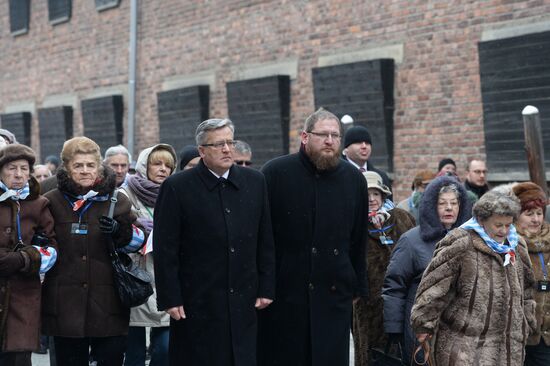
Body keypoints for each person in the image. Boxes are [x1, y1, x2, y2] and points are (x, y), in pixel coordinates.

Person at [154, 118, 275, 366]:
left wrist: (266, 286)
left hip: (244, 296)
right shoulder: (177, 187)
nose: (227, 149)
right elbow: (166, 247)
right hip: (197, 299)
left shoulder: (255, 182)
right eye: (218, 144)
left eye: (230, 142)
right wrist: (170, 297)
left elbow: (265, 239)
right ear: (201, 151)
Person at [258, 108, 368, 366]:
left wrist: (356, 283)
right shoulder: (275, 173)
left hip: (333, 290)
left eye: (335, 135)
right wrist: (264, 284)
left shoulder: (353, 179)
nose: (330, 141)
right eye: (323, 135)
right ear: (305, 137)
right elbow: (262, 237)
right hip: (286, 292)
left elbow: (358, 237)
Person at [42, 136, 144, 366]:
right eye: (78, 165)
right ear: (67, 168)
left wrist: (121, 231)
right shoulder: (49, 201)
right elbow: (41, 245)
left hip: (107, 301)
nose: (85, 171)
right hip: (65, 303)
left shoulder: (117, 199)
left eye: (90, 165)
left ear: (99, 166)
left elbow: (138, 242)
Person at [410, 191, 536, 365]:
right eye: (498, 225)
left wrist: (527, 320)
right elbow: (435, 286)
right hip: (466, 349)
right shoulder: (461, 242)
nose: (504, 231)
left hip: (509, 351)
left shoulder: (517, 244)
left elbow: (528, 287)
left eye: (508, 225)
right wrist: (423, 323)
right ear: (482, 220)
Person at [382, 175, 471, 365]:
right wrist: (394, 330)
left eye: (454, 203)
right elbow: (394, 286)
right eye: (442, 203)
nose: (449, 208)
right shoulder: (412, 241)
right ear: (431, 206)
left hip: (460, 330)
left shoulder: (470, 240)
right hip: (422, 330)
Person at [0, 144, 57, 366]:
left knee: (19, 357)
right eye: (11, 168)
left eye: (24, 168)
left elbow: (51, 248)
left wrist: (26, 259)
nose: (18, 174)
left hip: (23, 295)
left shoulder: (39, 204)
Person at [120, 143, 177, 366]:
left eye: (168, 166)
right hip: (135, 277)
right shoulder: (126, 193)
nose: (163, 169)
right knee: (133, 353)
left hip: (165, 276)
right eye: (157, 163)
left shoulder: (175, 192)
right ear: (145, 166)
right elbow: (121, 230)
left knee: (164, 348)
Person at [352, 171, 415, 366]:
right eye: (367, 194)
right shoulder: (353, 223)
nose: (371, 199)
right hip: (367, 304)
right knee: (370, 355)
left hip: (401, 301)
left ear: (383, 196)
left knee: (402, 353)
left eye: (376, 194)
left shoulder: (401, 218)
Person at [511, 182, 550, 365]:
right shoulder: (508, 245)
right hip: (520, 337)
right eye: (529, 214)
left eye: (539, 213)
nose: (536, 219)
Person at [342, 125, 392, 193]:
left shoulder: (382, 177)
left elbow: (388, 202)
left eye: (367, 143)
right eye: (358, 142)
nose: (364, 146)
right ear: (346, 149)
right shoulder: (337, 174)